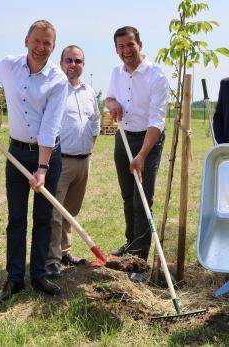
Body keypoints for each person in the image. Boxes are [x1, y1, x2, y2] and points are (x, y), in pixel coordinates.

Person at [0, 20, 67, 301]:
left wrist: (42, 168)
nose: (41, 48)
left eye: (47, 43)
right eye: (36, 41)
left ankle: (38, 274)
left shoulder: (57, 80)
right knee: (16, 218)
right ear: (26, 40)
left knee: (43, 217)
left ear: (53, 46)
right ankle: (14, 278)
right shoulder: (8, 65)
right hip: (15, 153)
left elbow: (50, 127)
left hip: (47, 154)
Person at [105, 26, 169, 283]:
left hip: (148, 139)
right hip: (123, 136)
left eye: (130, 45)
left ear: (140, 44)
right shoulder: (115, 72)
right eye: (120, 46)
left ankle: (140, 260)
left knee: (142, 199)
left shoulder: (156, 76)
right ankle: (131, 245)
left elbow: (157, 120)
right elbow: (109, 98)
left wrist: (142, 154)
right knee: (127, 195)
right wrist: (113, 105)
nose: (126, 51)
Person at [44, 45, 101, 278]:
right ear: (61, 62)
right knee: (54, 213)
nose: (73, 64)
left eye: (78, 61)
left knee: (70, 210)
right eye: (69, 60)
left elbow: (95, 122)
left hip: (83, 160)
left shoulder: (89, 92)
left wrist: (88, 146)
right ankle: (51, 260)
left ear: (83, 64)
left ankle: (65, 251)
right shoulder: (56, 90)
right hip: (61, 160)